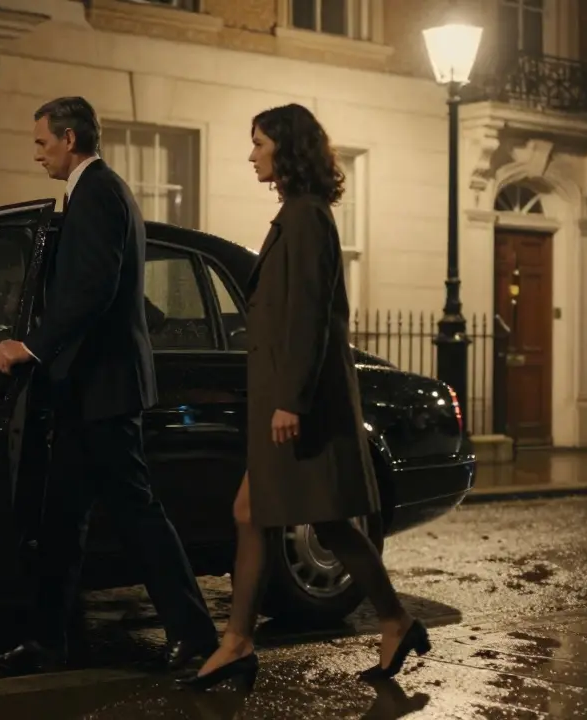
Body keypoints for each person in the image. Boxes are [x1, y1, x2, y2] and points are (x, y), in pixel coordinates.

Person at [179, 104, 429, 691]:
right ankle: (246, 639)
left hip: (300, 407)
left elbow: (313, 318)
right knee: (266, 515)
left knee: (317, 521)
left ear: (286, 150)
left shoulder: (308, 218)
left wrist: (290, 399)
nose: (252, 155)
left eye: (259, 143)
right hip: (286, 401)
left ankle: (386, 620)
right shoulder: (296, 215)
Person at [0, 96, 219, 673]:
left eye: (43, 142)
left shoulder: (98, 193)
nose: (37, 152)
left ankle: (196, 635)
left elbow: (90, 290)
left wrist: (32, 346)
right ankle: (47, 640)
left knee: (136, 514)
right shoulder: (95, 193)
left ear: (70, 140)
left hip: (104, 388)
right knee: (61, 521)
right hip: (87, 389)